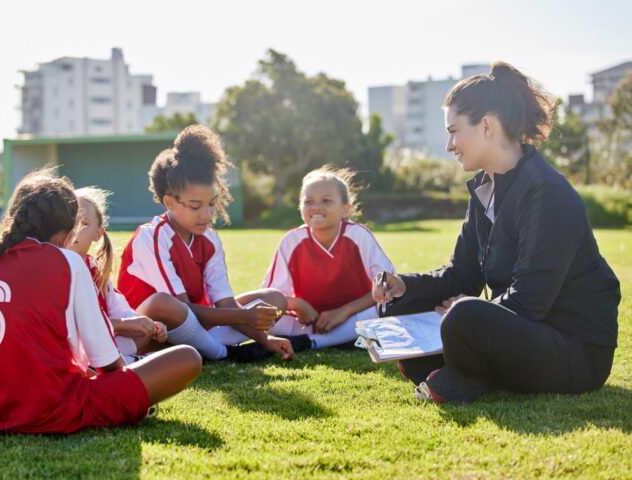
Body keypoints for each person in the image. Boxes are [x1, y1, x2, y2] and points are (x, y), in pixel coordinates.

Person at [372, 61, 620, 403]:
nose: (449, 145)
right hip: (525, 334)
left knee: (464, 316)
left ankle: (461, 374)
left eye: (454, 130)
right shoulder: (485, 189)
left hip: (574, 351)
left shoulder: (546, 191)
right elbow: (462, 274)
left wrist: (466, 307)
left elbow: (529, 302)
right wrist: (404, 286)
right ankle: (458, 370)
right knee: (402, 306)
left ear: (486, 126)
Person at [0, 169, 201, 433]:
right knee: (187, 358)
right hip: (47, 409)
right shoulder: (68, 261)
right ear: (66, 232)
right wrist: (129, 392)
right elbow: (107, 362)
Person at [117, 125, 299, 362]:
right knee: (166, 304)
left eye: (212, 204)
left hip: (195, 326)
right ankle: (222, 353)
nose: (206, 214)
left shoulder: (210, 238)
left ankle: (202, 347)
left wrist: (266, 339)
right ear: (170, 202)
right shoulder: (151, 237)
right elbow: (180, 309)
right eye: (195, 206)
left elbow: (224, 301)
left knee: (274, 299)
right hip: (149, 330)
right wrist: (244, 317)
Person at [263, 166, 395, 349]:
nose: (316, 207)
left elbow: (387, 286)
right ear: (300, 207)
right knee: (267, 316)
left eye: (326, 201)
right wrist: (299, 305)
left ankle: (313, 343)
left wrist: (343, 312)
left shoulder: (358, 235)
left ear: (344, 209)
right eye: (308, 201)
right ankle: (341, 339)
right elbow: (269, 297)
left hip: (354, 316)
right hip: (311, 321)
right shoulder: (291, 240)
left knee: (386, 308)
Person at [71, 186, 203, 362]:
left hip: (102, 341)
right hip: (76, 347)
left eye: (84, 223)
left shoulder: (95, 270)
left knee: (143, 332)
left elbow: (119, 309)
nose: (75, 229)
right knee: (180, 357)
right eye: (71, 221)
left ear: (98, 233)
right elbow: (74, 326)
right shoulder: (57, 269)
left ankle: (128, 360)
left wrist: (143, 323)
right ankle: (127, 363)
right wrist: (122, 325)